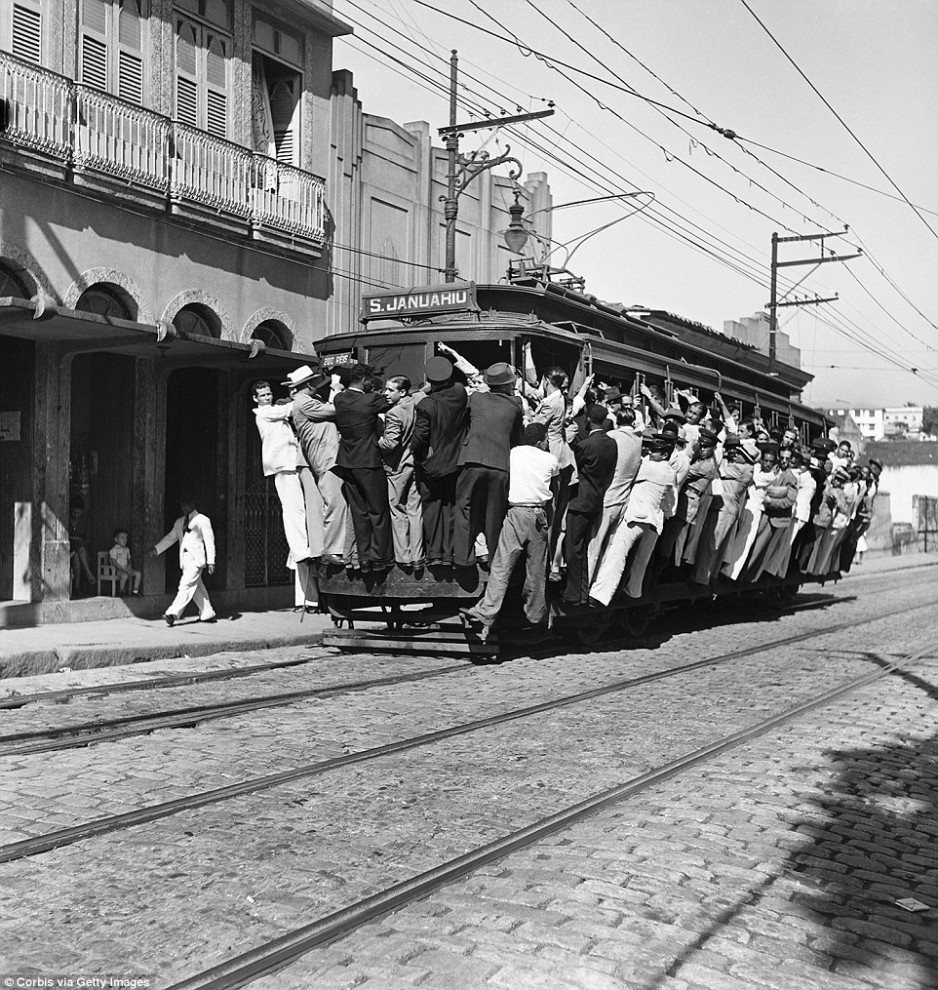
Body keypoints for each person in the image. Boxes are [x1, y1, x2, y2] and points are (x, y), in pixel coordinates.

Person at [460, 422, 559, 641]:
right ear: (542, 440)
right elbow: (555, 489)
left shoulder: (513, 453)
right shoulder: (549, 459)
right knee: (536, 570)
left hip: (515, 513)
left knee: (501, 566)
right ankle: (535, 617)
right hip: (538, 515)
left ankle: (484, 611)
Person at [589, 431, 678, 606]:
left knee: (617, 553)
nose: (650, 452)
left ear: (665, 454)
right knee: (640, 561)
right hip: (652, 521)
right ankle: (634, 592)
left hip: (636, 517)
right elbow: (668, 503)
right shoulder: (669, 472)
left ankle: (600, 595)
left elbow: (629, 470)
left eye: (655, 450)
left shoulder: (650, 467)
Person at [453, 362, 523, 567]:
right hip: (500, 463)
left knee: (464, 507)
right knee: (495, 514)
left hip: (472, 458)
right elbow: (516, 436)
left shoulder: (475, 398)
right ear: (504, 386)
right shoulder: (516, 404)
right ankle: (494, 559)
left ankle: (463, 558)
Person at [333, 364, 393, 571]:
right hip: (368, 461)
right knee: (377, 510)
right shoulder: (370, 400)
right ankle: (380, 558)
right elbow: (391, 402)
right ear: (366, 380)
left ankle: (364, 557)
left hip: (347, 462)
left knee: (359, 511)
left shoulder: (339, 399)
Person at [289, 366, 351, 567]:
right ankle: (332, 550)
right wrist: (337, 389)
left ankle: (334, 548)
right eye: (314, 383)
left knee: (336, 502)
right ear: (308, 384)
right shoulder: (304, 402)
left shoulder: (305, 401)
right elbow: (334, 409)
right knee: (336, 502)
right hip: (326, 459)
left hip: (328, 458)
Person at [411, 355, 468, 567]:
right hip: (456, 462)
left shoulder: (426, 404)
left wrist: (417, 455)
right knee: (451, 506)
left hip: (432, 465)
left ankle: (434, 554)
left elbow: (419, 438)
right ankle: (450, 553)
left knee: (432, 508)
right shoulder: (460, 392)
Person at [252, 378, 312, 569]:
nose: (267, 397)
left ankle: (295, 552)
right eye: (263, 395)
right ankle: (299, 552)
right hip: (282, 464)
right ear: (256, 399)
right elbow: (288, 409)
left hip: (287, 463)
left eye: (269, 394)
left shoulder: (273, 413)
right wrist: (304, 396)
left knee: (296, 507)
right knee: (293, 509)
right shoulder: (264, 413)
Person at [562, 403, 618, 604]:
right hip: (596, 500)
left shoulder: (585, 445)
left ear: (587, 419)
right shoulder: (612, 444)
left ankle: (573, 594)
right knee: (584, 547)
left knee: (573, 548)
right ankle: (583, 592)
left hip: (579, 502)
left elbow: (572, 465)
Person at [586, 405, 643, 582]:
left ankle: (587, 582)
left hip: (608, 496)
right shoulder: (638, 440)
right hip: (623, 499)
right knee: (609, 547)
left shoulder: (612, 437)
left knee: (594, 544)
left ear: (616, 420)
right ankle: (600, 585)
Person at [148, 496, 216, 625]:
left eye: (186, 505)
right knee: (196, 588)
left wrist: (211, 561)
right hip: (185, 560)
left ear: (193, 504)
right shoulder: (179, 522)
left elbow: (209, 541)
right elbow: (171, 537)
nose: (183, 508)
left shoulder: (202, 520)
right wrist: (157, 549)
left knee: (185, 585)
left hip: (196, 559)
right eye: (182, 506)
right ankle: (207, 612)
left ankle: (172, 613)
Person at [378, 375, 423, 567]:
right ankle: (418, 556)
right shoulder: (416, 404)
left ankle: (404, 556)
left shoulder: (394, 413)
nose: (386, 393)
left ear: (402, 392)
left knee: (397, 509)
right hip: (415, 464)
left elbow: (390, 444)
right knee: (415, 510)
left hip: (398, 467)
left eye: (390, 390)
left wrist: (375, 438)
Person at [68, 498, 96, 595]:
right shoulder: (66, 519)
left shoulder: (85, 521)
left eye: (78, 513)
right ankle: (89, 575)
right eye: (74, 512)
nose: (76, 515)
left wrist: (79, 542)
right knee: (77, 551)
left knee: (77, 555)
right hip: (69, 547)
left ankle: (76, 587)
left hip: (80, 547)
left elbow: (88, 539)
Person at [109, 528, 142, 595]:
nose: (125, 540)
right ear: (116, 539)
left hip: (126, 569)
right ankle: (121, 591)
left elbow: (129, 559)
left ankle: (135, 591)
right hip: (118, 570)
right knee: (124, 575)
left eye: (126, 538)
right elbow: (114, 563)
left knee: (138, 573)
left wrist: (129, 565)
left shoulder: (127, 549)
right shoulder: (114, 550)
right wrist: (124, 569)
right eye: (122, 537)